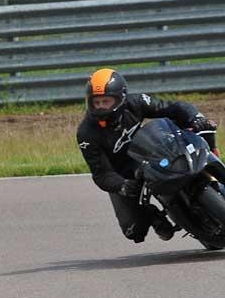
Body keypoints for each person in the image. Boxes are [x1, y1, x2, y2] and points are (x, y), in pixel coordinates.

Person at [77, 68, 219, 243]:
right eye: (96, 102)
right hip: (124, 174)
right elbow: (101, 173)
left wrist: (194, 117)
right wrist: (122, 185)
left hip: (153, 153)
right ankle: (153, 215)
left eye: (105, 101)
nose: (100, 107)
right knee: (133, 230)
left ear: (120, 98)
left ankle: (215, 169)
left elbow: (172, 108)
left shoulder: (135, 102)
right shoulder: (86, 133)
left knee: (203, 133)